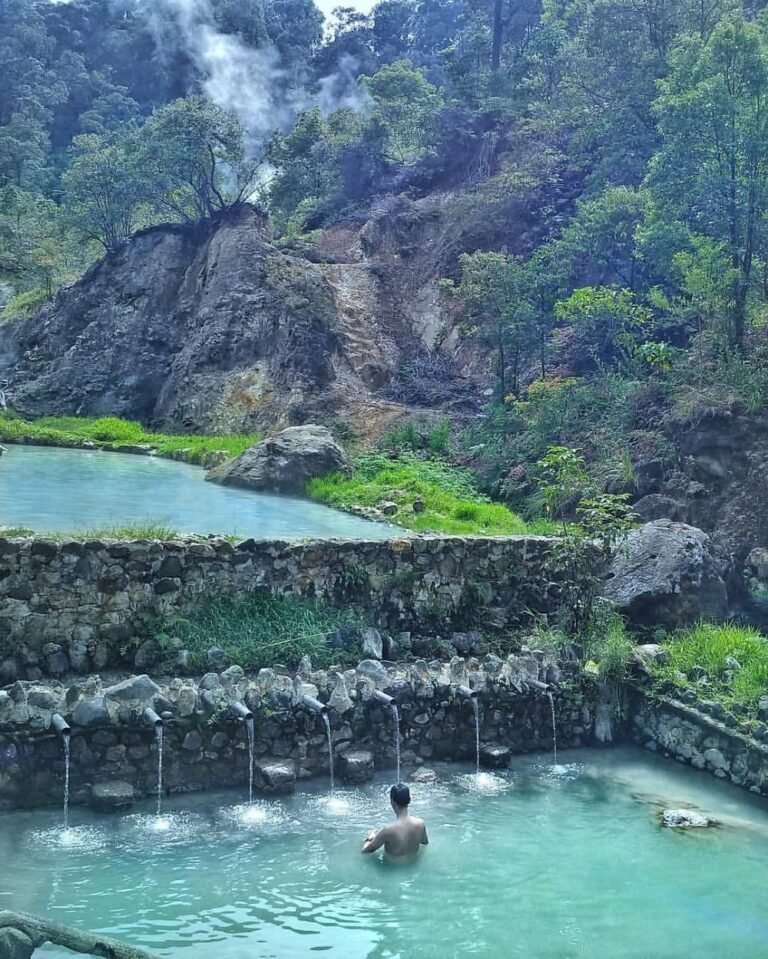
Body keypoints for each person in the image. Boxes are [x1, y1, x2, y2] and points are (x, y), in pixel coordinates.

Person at [361, 783, 429, 863]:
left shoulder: (387, 830)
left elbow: (365, 851)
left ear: (392, 801)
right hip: (413, 865)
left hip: (391, 869)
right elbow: (425, 843)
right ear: (409, 800)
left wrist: (370, 838)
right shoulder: (420, 823)